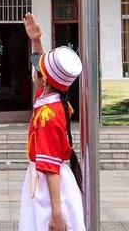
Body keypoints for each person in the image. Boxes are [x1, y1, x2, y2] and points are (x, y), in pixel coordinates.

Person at [20, 13, 85, 231]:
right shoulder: (52, 100)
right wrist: (36, 40)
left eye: (38, 70)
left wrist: (56, 212)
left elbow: (49, 165)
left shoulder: (48, 112)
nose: (34, 72)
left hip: (48, 191)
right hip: (50, 182)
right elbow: (44, 72)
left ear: (45, 81)